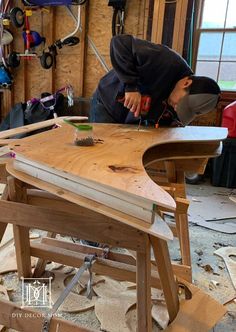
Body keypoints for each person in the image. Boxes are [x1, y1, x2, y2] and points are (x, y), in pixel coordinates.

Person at [90, 34, 221, 127]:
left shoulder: (176, 93)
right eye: (180, 104)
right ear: (186, 83)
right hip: (107, 104)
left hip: (129, 117)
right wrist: (131, 86)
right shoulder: (166, 60)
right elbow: (119, 42)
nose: (176, 108)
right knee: (101, 154)